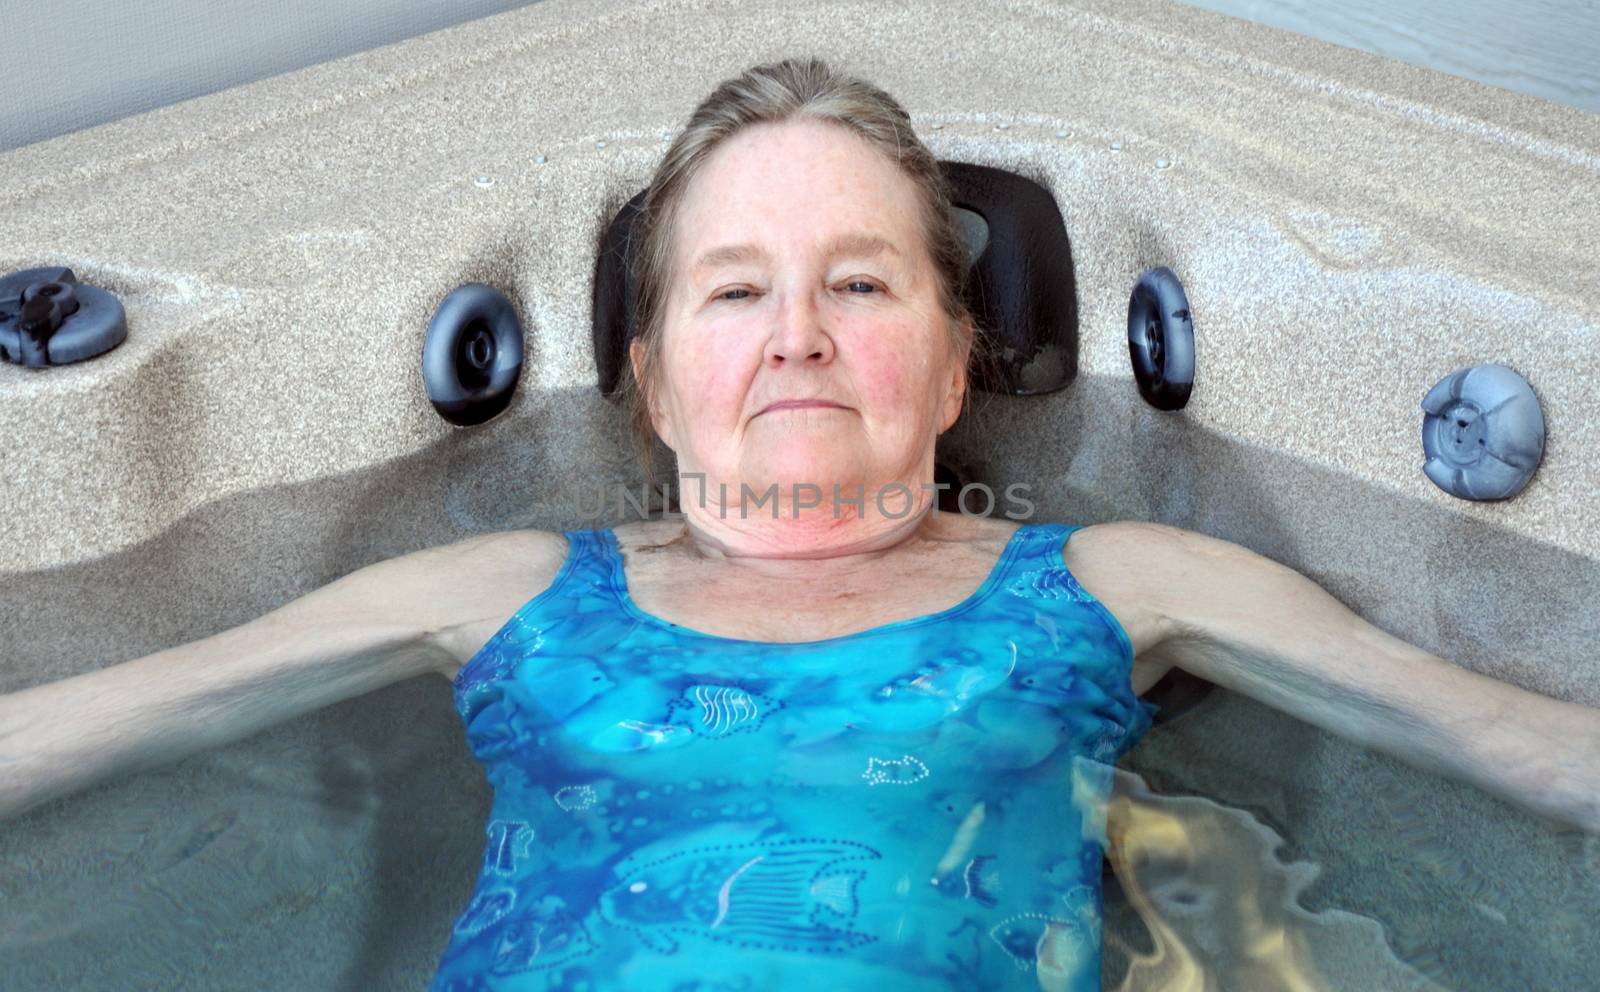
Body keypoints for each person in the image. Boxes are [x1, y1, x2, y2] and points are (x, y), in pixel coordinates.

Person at [1, 56, 1595, 991]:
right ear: (650, 379)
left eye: (860, 281)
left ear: (960, 355)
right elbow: (115, 714)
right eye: (735, 289)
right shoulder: (502, 589)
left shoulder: (1112, 581)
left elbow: (1505, 739)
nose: (798, 334)